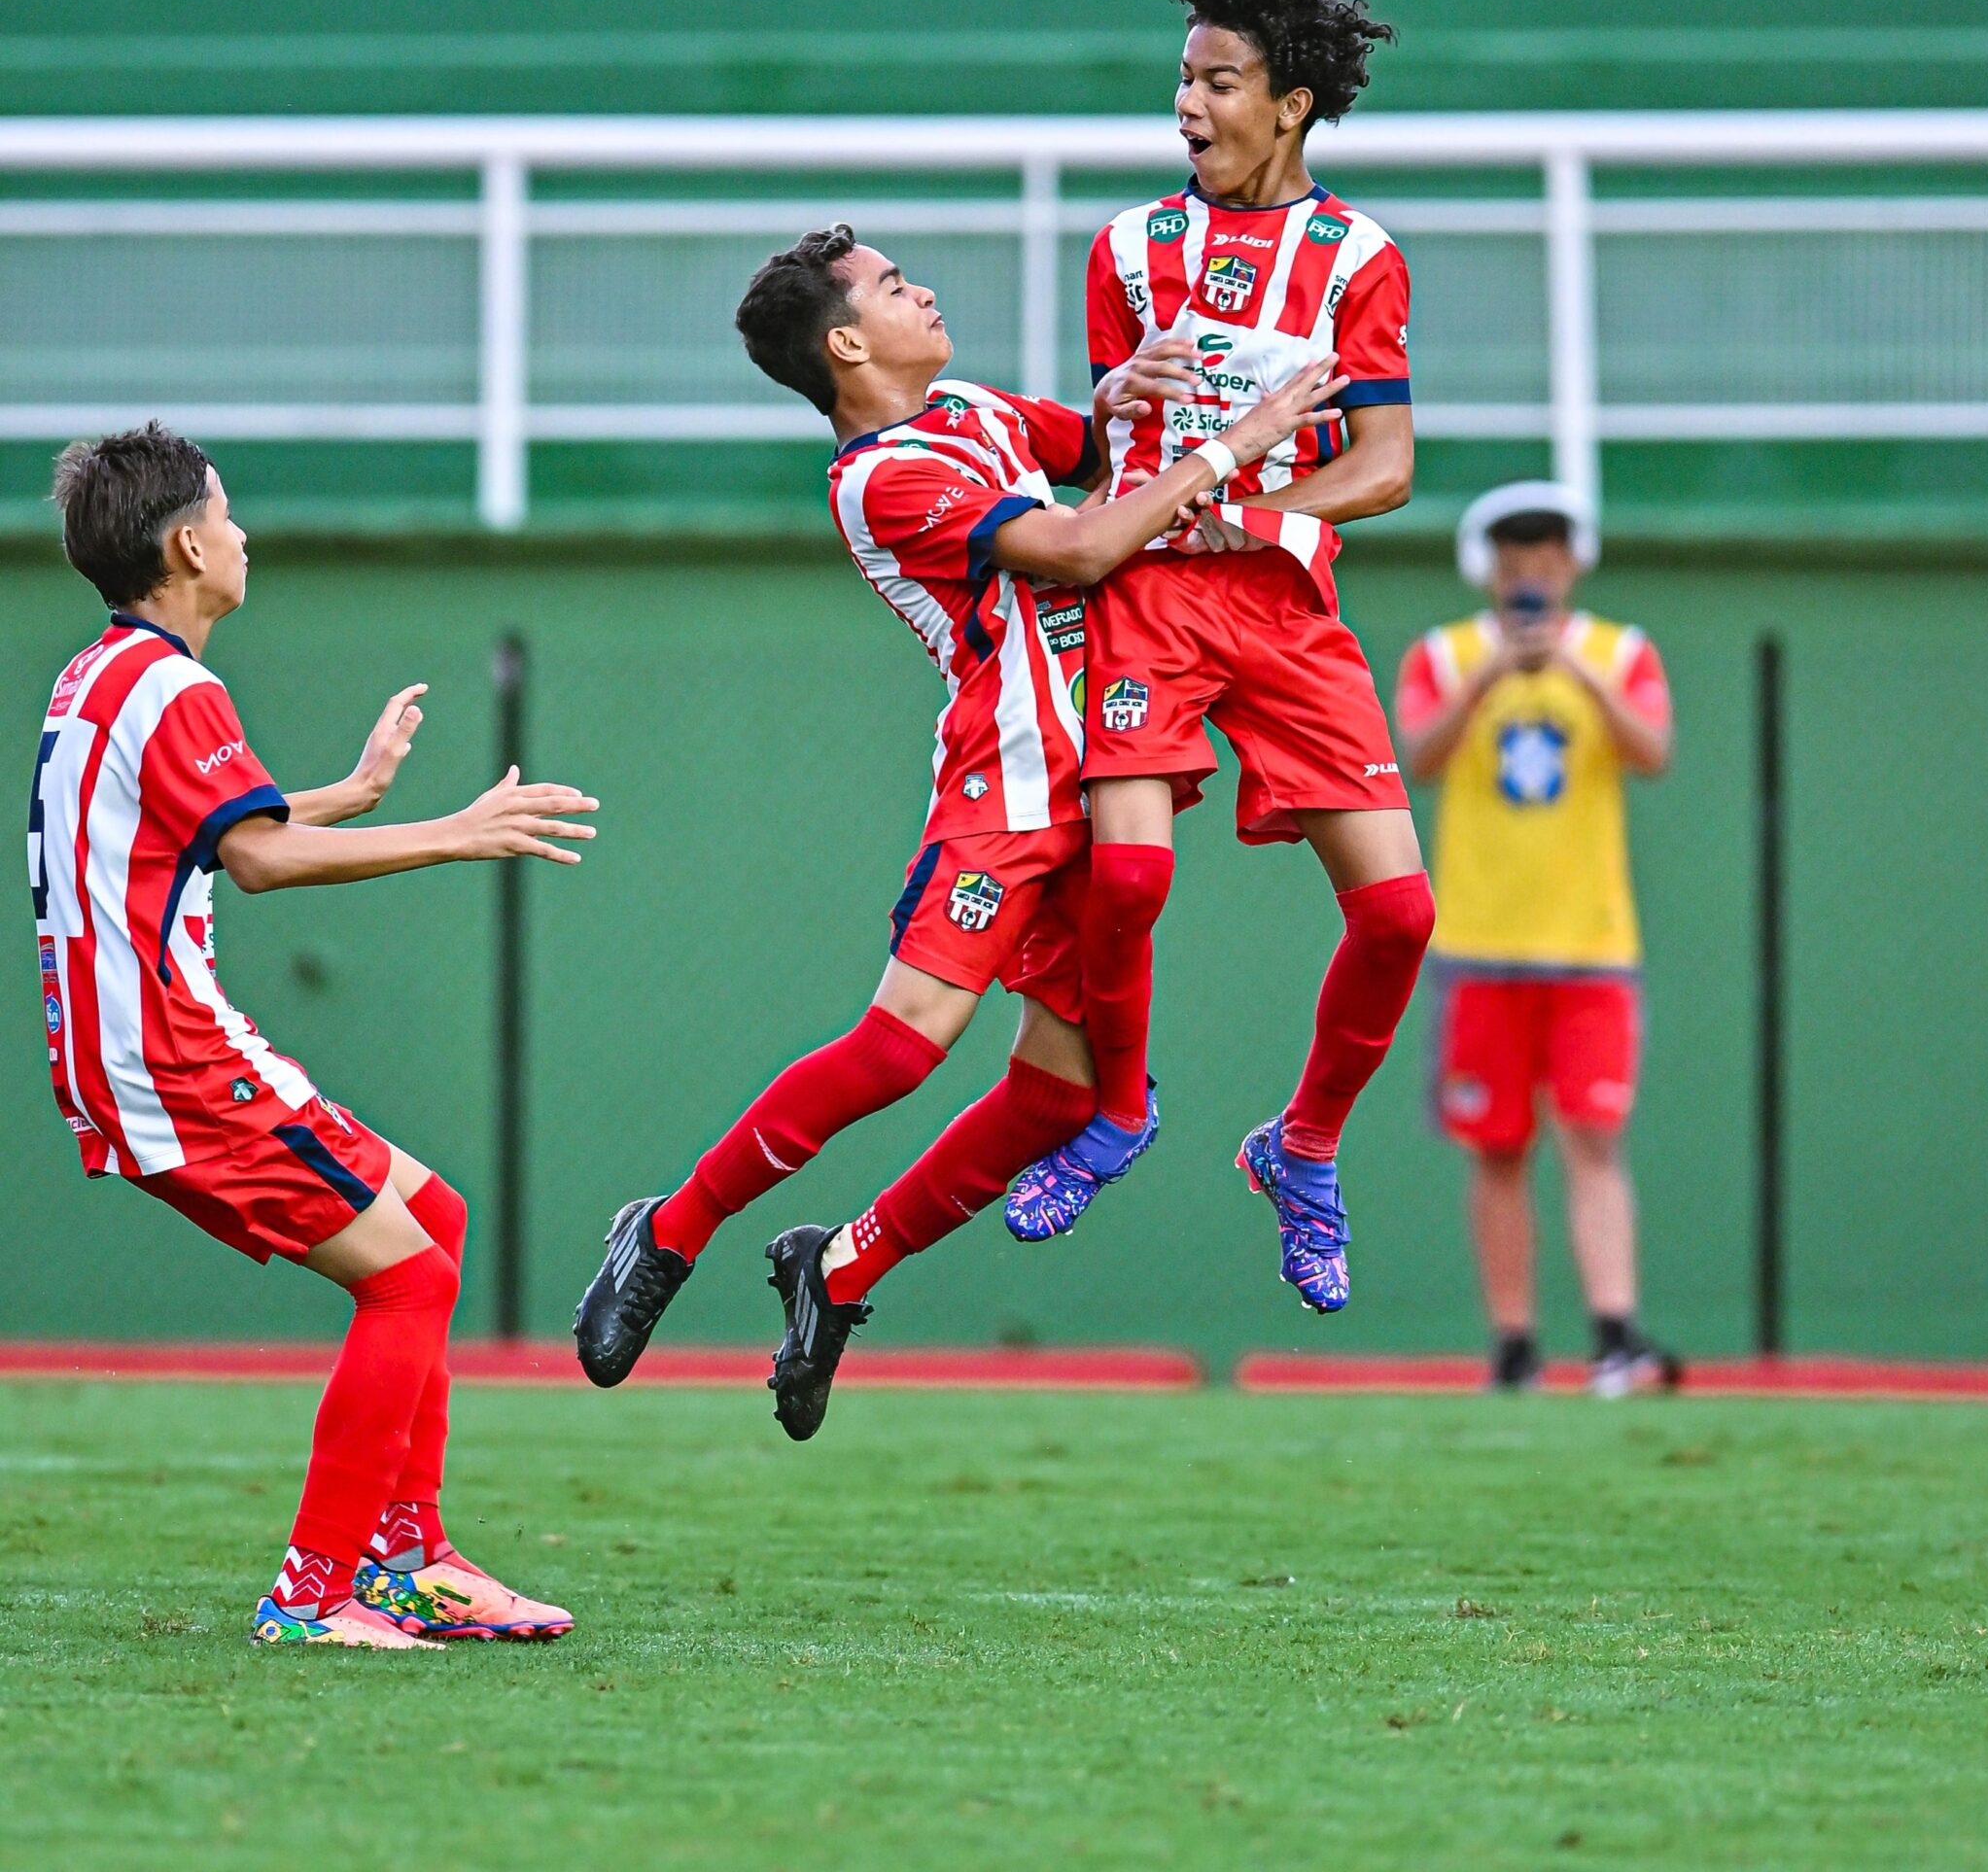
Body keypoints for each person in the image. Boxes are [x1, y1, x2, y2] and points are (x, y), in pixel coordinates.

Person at [573, 225, 1343, 1437]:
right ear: (844, 343)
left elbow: (1096, 454)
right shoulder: (877, 476)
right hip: (1007, 784)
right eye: (890, 285)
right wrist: (1238, 446)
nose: (920, 290)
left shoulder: (974, 408)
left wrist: (1119, 396)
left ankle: (838, 1272)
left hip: (1107, 773)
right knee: (898, 1047)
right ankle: (664, 1236)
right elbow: (1085, 544)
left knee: (1051, 1100)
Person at [33, 424, 597, 1646]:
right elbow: (259, 857)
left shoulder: (105, 674)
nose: (244, 535)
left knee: (429, 1221)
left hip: (146, 1042)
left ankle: (411, 1557)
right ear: (188, 544)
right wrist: (454, 830)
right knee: (410, 1275)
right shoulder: (172, 685)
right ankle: (316, 1590)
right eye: (229, 515)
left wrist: (354, 791)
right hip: (166, 1054)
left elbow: (224, 824)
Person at [1003, 0, 1433, 1318]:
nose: (1189, 104)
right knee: (1125, 884)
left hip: (1285, 598)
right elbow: (1101, 441)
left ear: (1292, 101)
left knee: (1402, 915)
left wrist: (1262, 509)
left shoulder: (1357, 256)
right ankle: (1116, 1112)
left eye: (1220, 80)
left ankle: (1300, 1150)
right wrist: (1119, 394)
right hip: (1149, 596)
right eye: (1183, 78)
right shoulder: (1129, 247)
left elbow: (1388, 464)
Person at [1394, 479, 1679, 1396]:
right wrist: (1490, 677)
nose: (1534, 580)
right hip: (1481, 943)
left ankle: (1615, 1334)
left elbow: (1652, 751)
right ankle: (1513, 1344)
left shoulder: (1620, 651)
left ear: (1571, 567)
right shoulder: (1444, 655)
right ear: (1492, 572)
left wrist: (1574, 673)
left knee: (1594, 1138)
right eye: (1517, 564)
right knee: (1496, 1148)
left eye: (1548, 562)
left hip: (1591, 944)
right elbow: (1420, 758)